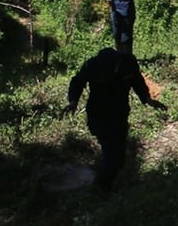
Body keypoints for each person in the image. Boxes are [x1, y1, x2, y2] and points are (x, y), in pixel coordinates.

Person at [66, 47, 167, 192]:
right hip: (98, 114)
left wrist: (146, 98)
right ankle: (100, 187)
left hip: (120, 113)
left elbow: (137, 80)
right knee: (112, 154)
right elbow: (77, 82)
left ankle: (104, 182)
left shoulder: (128, 63)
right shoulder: (93, 65)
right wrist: (73, 102)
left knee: (119, 155)